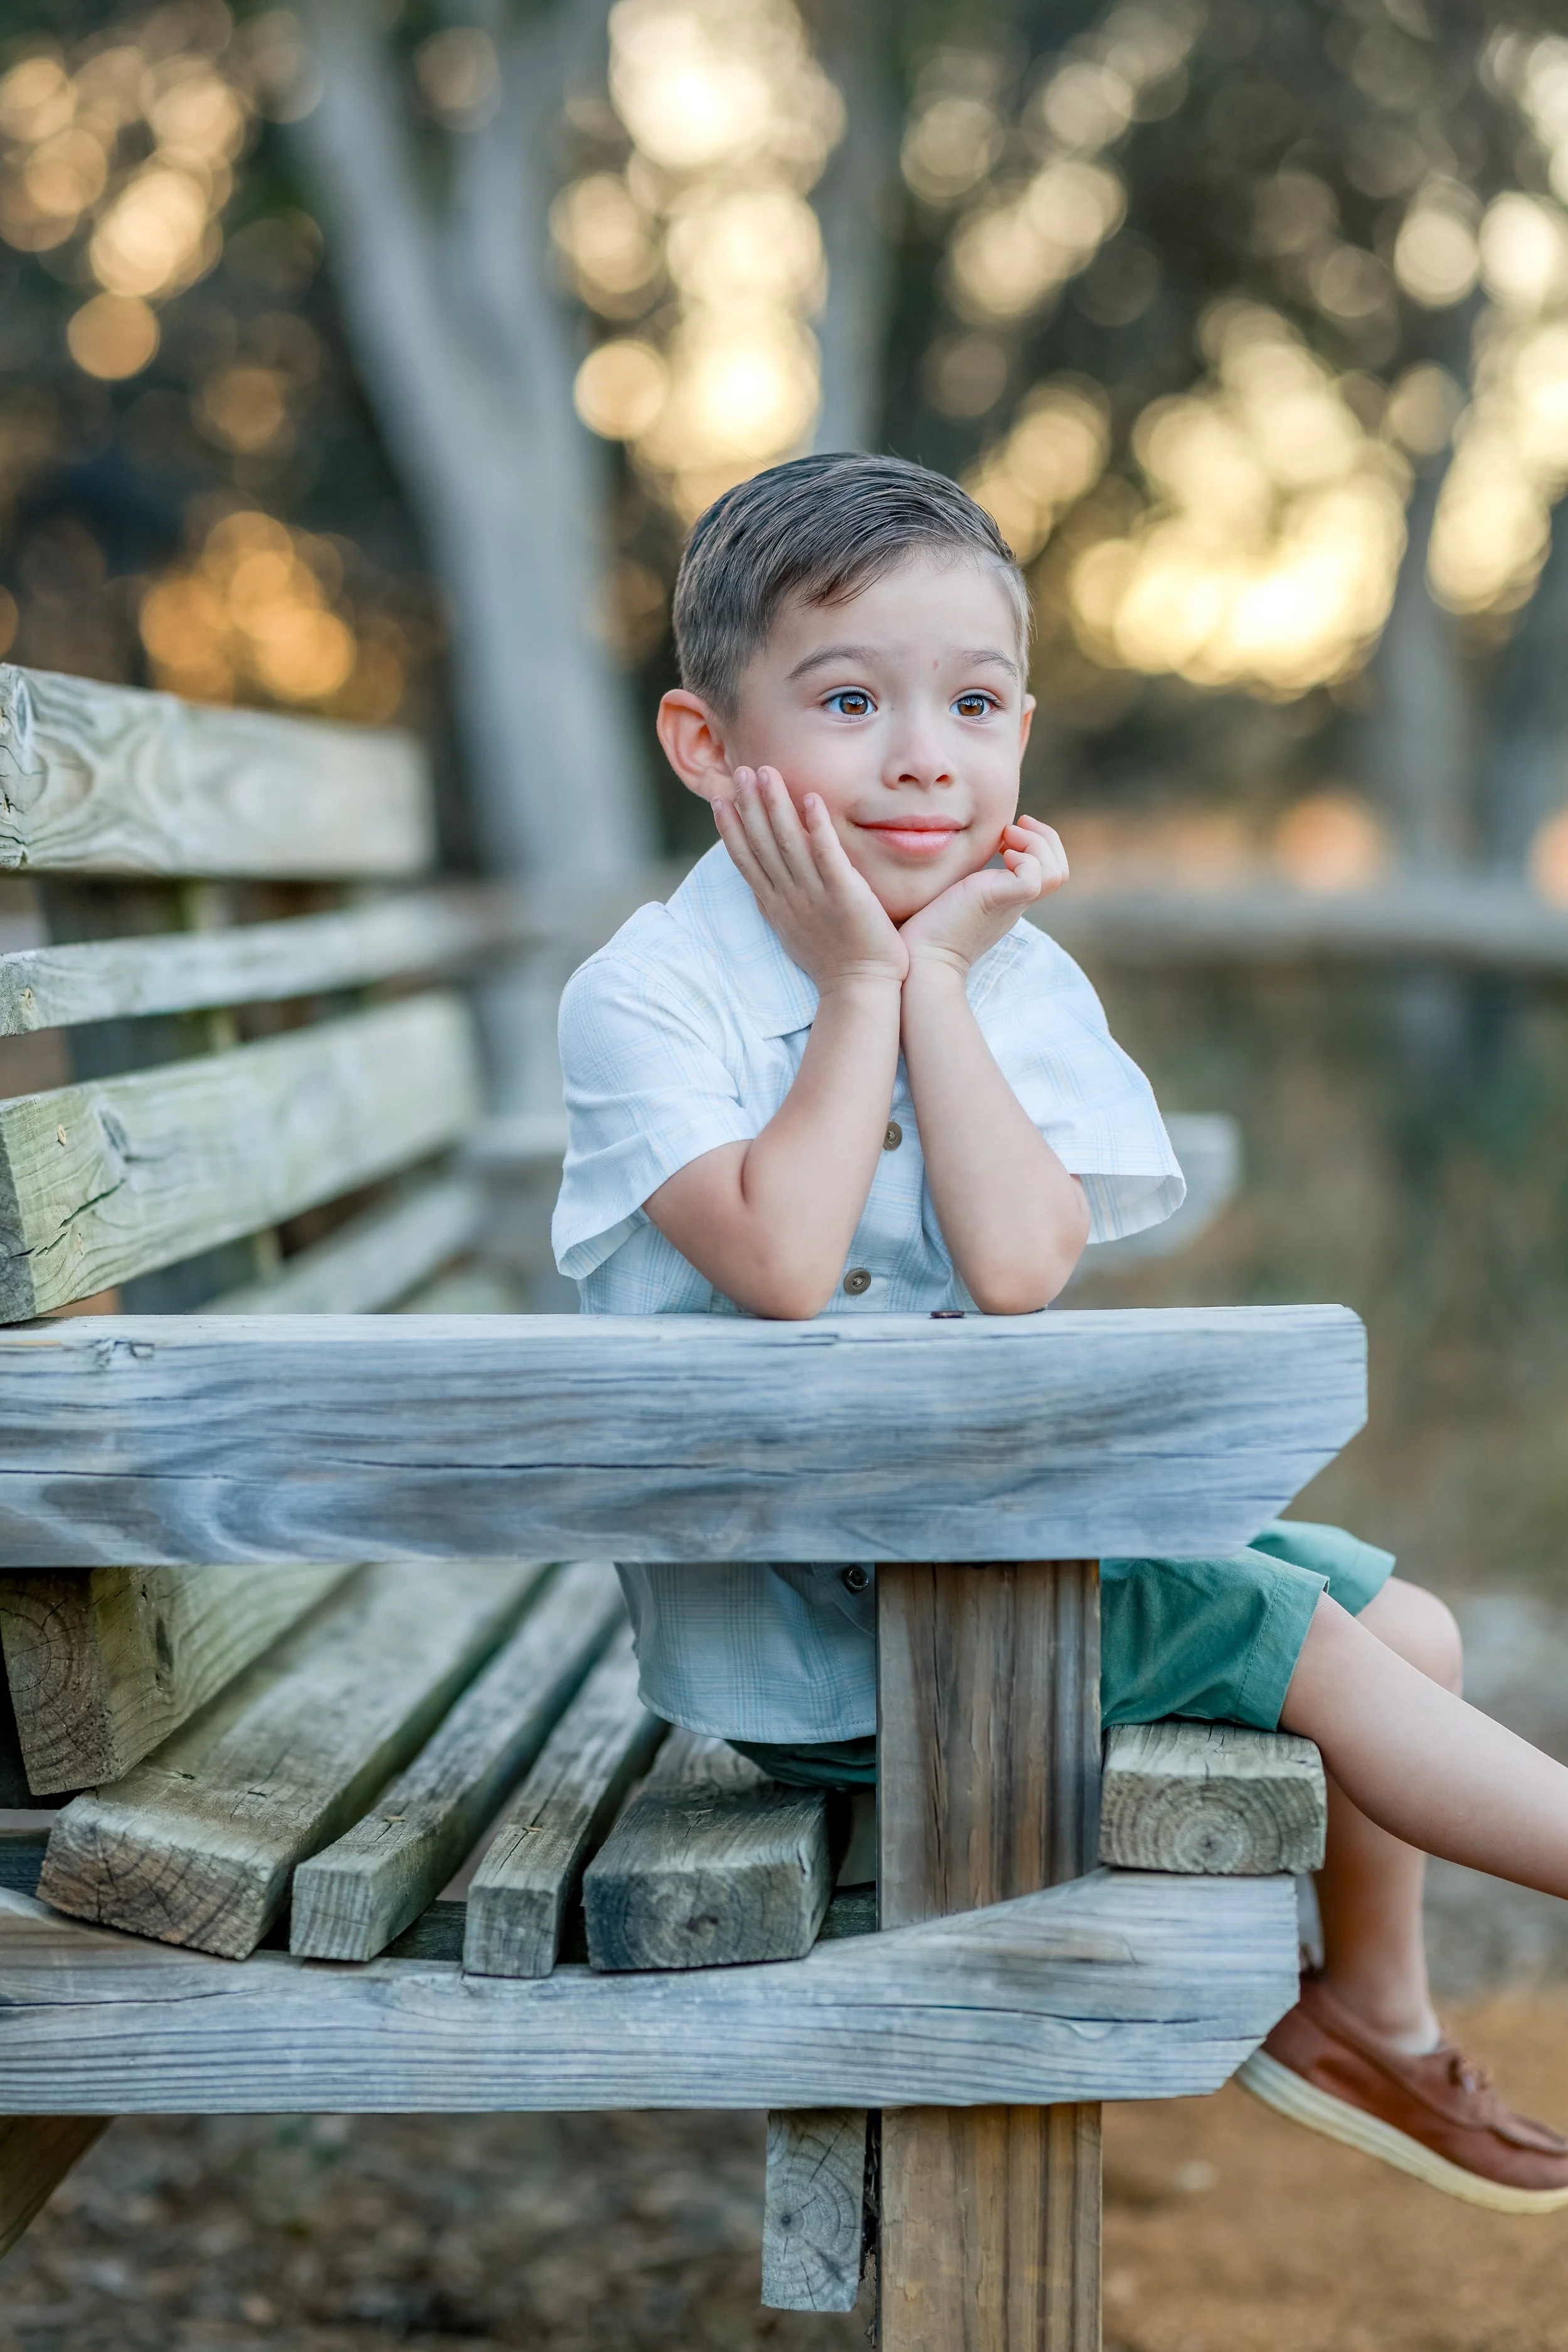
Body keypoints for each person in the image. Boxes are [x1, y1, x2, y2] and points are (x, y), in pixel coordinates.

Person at [553, 452, 1568, 2212]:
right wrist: (862, 980)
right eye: (849, 700)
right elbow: (785, 1264)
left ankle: (1370, 2017)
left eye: (973, 701)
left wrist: (935, 978)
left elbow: (1020, 1266)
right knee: (1302, 1640)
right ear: (708, 746)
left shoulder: (1002, 974)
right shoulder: (651, 990)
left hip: (979, 1541)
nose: (923, 754)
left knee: (1402, 1622)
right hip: (822, 1610)